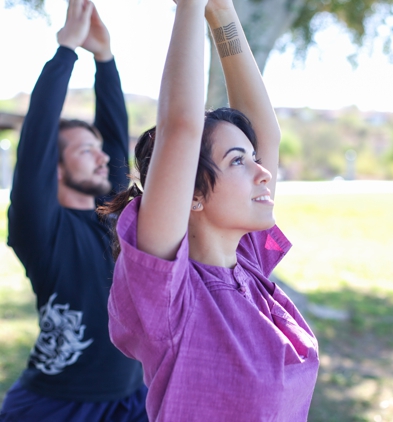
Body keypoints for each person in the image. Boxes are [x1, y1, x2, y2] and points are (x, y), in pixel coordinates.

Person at [100, 0, 319, 420]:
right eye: (239, 160)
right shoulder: (170, 294)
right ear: (193, 195)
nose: (263, 172)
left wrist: (222, 13)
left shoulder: (248, 263)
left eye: (254, 158)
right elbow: (181, 126)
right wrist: (190, 6)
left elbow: (266, 133)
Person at [0, 1, 147, 421]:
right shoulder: (39, 229)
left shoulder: (112, 217)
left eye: (100, 150)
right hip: (57, 405)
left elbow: (116, 140)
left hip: (133, 397)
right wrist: (66, 50)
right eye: (86, 151)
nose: (103, 159)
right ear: (56, 169)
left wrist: (105, 59)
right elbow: (36, 142)